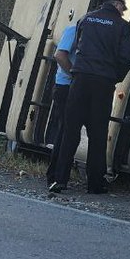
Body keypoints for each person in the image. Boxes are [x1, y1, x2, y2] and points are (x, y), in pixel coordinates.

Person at [48, 0, 130, 196]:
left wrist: (80, 72)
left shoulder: (84, 20)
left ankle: (59, 180)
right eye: (123, 5)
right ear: (115, 4)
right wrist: (114, 77)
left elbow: (77, 46)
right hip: (103, 83)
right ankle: (95, 183)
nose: (124, 10)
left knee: (70, 132)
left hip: (79, 82)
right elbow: (126, 58)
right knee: (98, 134)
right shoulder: (123, 27)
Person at [44, 23, 77, 187]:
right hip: (65, 86)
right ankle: (55, 175)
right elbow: (60, 55)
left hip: (74, 86)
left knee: (68, 131)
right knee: (66, 131)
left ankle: (58, 175)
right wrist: (74, 74)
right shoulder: (73, 29)